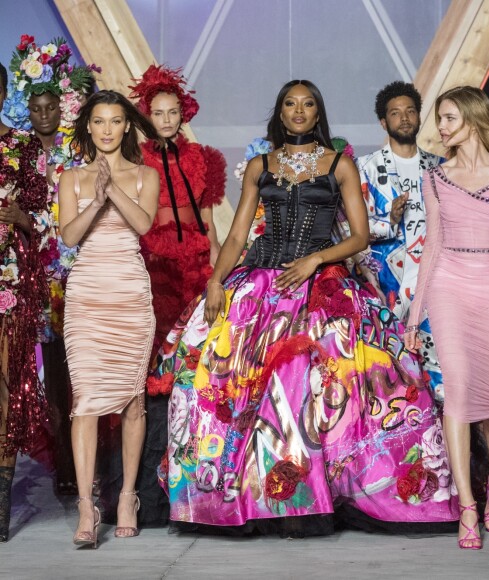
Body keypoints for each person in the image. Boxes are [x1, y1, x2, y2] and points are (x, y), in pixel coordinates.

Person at [148, 80, 458, 537]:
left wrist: (316, 258)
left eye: (308, 104)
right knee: (216, 376)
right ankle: (241, 493)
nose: (299, 111)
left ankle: (319, 491)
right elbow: (236, 237)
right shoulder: (260, 165)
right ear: (281, 112)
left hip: (321, 286)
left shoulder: (340, 164)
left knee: (326, 382)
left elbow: (357, 235)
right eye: (291, 104)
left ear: (318, 113)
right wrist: (215, 283)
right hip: (258, 284)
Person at [404, 86, 489, 550]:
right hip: (448, 284)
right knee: (458, 396)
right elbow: (432, 249)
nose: (440, 127)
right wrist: (415, 312)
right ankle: (467, 504)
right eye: (439, 119)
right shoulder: (437, 177)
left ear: (471, 118)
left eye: (447, 118)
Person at [125, 65, 225, 526]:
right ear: (146, 116)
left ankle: (195, 484)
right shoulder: (135, 157)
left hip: (196, 261)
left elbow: (209, 221)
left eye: (173, 112)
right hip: (154, 262)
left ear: (183, 113)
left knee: (194, 366)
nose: (166, 119)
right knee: (152, 371)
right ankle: (147, 489)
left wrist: (218, 271)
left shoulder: (202, 157)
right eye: (157, 112)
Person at [59, 90, 159, 547]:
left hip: (130, 296)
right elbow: (69, 236)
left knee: (132, 400)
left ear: (126, 127)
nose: (106, 130)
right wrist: (95, 200)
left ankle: (126, 497)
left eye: (115, 121)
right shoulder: (71, 178)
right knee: (85, 401)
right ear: (88, 127)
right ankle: (86, 504)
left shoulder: (145, 175)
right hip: (87, 295)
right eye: (98, 121)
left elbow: (142, 225)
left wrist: (113, 189)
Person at [6, 34, 100, 495]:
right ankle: (61, 464)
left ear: (59, 108)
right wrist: (26, 221)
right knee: (44, 371)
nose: (44, 114)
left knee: (76, 371)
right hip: (32, 276)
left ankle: (81, 465)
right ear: (28, 109)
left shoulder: (76, 153)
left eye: (50, 107)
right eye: (36, 108)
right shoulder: (19, 151)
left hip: (73, 270)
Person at [356, 81, 444, 401]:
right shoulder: (364, 169)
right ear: (384, 122)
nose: (404, 118)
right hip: (387, 289)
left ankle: (448, 449)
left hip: (436, 284)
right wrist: (389, 220)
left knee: (441, 374)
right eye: (396, 113)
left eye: (410, 111)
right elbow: (351, 231)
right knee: (394, 377)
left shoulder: (441, 167)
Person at [0, 61, 50, 542]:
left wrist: (21, 216)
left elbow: (45, 217)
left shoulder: (20, 146)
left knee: (7, 383)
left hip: (8, 283)